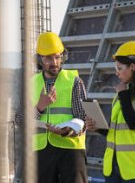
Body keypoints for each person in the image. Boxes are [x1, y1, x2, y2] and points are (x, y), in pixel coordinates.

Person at [14, 31, 88, 183]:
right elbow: (20, 120)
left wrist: (68, 130)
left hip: (70, 151)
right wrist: (39, 107)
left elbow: (83, 117)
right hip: (41, 152)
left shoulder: (74, 81)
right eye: (48, 58)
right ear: (40, 59)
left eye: (57, 56)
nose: (54, 62)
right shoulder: (31, 84)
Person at [85, 41, 135, 183]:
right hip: (113, 168)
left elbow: (134, 123)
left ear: (132, 67)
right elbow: (118, 132)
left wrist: (123, 95)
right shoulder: (122, 94)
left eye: (119, 68)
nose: (116, 72)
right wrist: (99, 128)